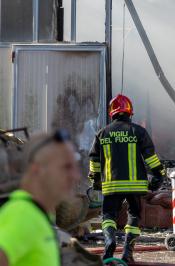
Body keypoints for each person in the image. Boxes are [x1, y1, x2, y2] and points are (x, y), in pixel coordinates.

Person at [88, 94, 165, 263]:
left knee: (108, 215)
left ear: (112, 113)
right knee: (134, 215)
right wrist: (159, 174)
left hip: (111, 186)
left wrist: (95, 181)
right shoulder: (138, 131)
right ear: (130, 112)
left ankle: (110, 241)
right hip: (135, 186)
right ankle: (127, 253)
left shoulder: (102, 133)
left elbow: (94, 160)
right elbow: (150, 157)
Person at [0, 130, 80, 266]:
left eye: (74, 167)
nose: (75, 176)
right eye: (66, 167)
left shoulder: (38, 215)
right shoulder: (23, 216)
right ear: (37, 170)